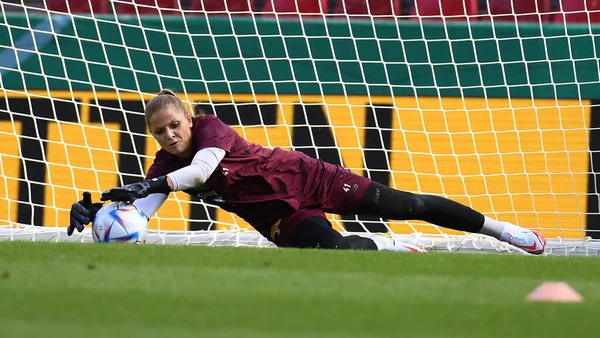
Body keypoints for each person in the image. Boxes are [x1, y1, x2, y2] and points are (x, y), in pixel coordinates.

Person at [67, 89, 546, 255]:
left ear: (189, 119)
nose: (170, 135)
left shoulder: (210, 130)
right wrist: (102, 212)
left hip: (306, 176)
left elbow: (202, 171)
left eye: (175, 125)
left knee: (408, 205)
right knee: (336, 250)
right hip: (277, 216)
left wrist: (151, 183)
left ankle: (505, 232)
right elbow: (144, 210)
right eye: (160, 132)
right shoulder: (164, 165)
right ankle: (387, 245)